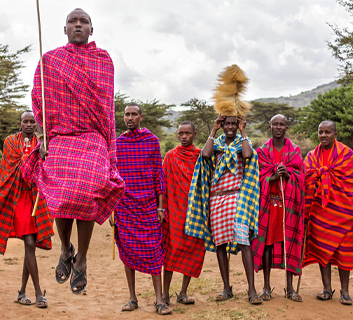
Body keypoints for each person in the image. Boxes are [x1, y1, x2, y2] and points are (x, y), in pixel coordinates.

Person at [21, 8, 124, 295]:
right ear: (64, 29)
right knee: (61, 196)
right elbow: (38, 100)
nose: (78, 25)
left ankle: (82, 258)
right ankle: (66, 248)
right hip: (61, 136)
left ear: (92, 30)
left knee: (86, 191)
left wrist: (108, 145)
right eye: (73, 21)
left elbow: (107, 109)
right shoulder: (50, 60)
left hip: (92, 138)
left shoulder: (103, 61)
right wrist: (43, 136)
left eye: (84, 22)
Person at [185, 115, 262, 305]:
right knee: (220, 245)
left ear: (238, 126)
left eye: (233, 124)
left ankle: (251, 290)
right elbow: (204, 155)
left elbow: (247, 156)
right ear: (222, 125)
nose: (230, 127)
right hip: (217, 198)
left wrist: (243, 132)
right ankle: (226, 288)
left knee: (244, 242)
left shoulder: (244, 142)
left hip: (238, 198)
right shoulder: (216, 143)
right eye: (226, 124)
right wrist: (213, 130)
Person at [0, 110, 53, 308]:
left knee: (30, 245)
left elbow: (47, 170)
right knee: (30, 242)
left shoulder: (43, 144)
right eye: (25, 121)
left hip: (36, 198)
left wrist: (43, 155)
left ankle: (22, 292)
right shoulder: (10, 142)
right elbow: (12, 168)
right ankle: (39, 293)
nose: (29, 125)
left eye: (32, 122)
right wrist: (34, 158)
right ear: (20, 124)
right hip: (17, 196)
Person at [112, 103, 171, 315]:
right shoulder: (117, 143)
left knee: (155, 251)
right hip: (125, 206)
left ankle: (159, 300)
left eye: (134, 114)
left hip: (148, 206)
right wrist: (112, 210)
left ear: (141, 117)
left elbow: (159, 175)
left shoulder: (151, 141)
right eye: (127, 114)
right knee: (127, 251)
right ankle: (132, 298)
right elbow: (112, 179)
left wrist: (161, 207)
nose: (130, 118)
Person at [251, 114, 305, 302]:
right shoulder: (262, 152)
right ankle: (266, 287)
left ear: (287, 127)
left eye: (282, 124)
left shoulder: (295, 150)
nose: (279, 127)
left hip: (288, 204)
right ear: (270, 126)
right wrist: (273, 177)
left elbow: (301, 177)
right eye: (275, 124)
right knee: (267, 243)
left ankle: (290, 288)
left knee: (287, 243)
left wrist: (288, 174)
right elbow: (256, 178)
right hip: (268, 204)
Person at [303, 120, 353, 305]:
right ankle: (326, 288)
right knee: (323, 249)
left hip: (344, 213)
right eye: (320, 132)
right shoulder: (311, 156)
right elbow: (306, 179)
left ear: (335, 134)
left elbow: (351, 182)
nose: (323, 135)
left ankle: (345, 292)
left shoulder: (347, 155)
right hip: (320, 212)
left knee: (344, 252)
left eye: (327, 132)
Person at [162, 121, 205, 306]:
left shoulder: (201, 156)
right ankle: (164, 294)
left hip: (195, 212)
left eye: (187, 133)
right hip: (174, 210)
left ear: (194, 134)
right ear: (177, 135)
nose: (184, 136)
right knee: (170, 251)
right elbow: (162, 184)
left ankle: (183, 292)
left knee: (194, 250)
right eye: (181, 133)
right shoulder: (170, 156)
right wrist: (161, 208)